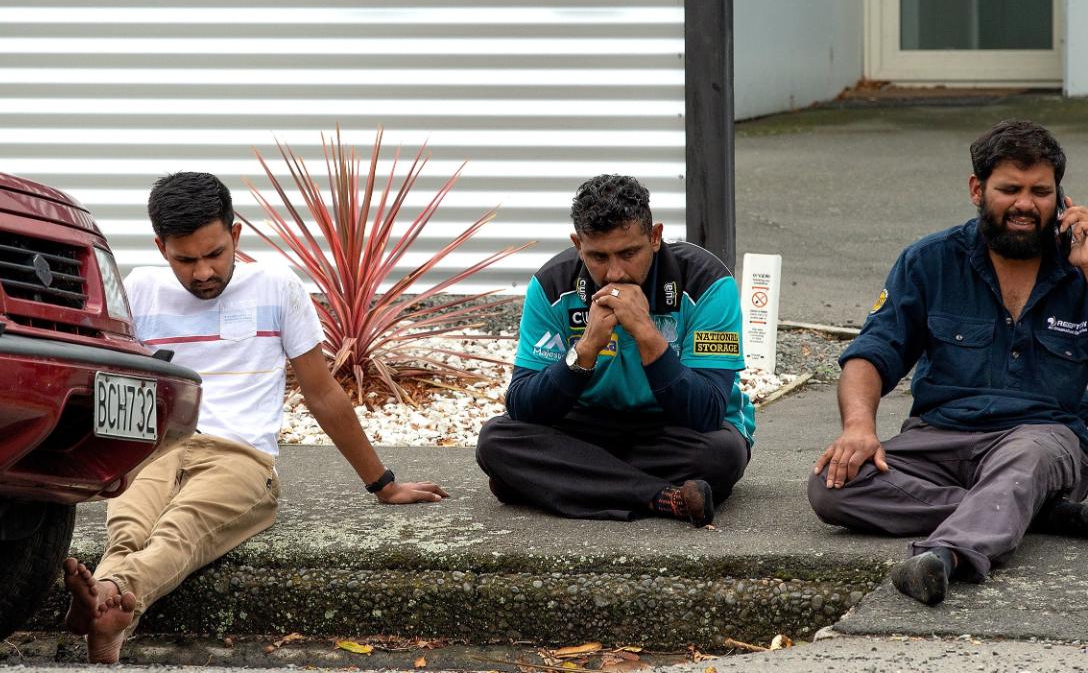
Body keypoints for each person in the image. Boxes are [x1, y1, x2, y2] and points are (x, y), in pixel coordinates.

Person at [63, 172, 447, 662]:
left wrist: (384, 484)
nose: (203, 272)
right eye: (186, 259)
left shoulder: (276, 286)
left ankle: (114, 590)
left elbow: (321, 391)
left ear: (236, 235)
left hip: (239, 458)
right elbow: (110, 385)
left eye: (214, 254)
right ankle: (111, 613)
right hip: (155, 450)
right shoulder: (138, 289)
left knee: (181, 527)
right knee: (130, 528)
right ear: (160, 247)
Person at [808, 120, 1088, 606]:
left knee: (1025, 457)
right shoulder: (929, 261)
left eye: (1040, 192)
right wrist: (858, 427)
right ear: (977, 190)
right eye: (1009, 189)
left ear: (1061, 198)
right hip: (938, 439)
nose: (1025, 205)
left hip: (1043, 438)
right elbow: (871, 353)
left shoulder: (1083, 268)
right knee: (832, 485)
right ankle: (1026, 512)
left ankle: (946, 555)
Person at [476, 174, 754, 527]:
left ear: (655, 238)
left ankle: (557, 481)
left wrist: (647, 335)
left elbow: (707, 412)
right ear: (578, 245)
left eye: (628, 253)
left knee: (722, 455)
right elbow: (523, 406)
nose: (614, 273)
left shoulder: (707, 283)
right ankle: (663, 498)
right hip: (589, 426)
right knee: (495, 441)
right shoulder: (552, 285)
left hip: (673, 431)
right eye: (598, 256)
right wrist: (586, 349)